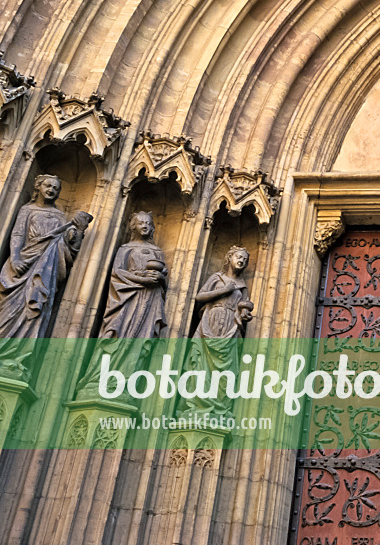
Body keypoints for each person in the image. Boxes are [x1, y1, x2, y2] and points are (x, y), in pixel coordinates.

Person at [0, 174, 92, 379]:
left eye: (56, 188)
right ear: (38, 187)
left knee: (35, 309)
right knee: (11, 309)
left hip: (46, 271)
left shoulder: (60, 217)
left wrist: (77, 230)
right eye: (48, 186)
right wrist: (15, 258)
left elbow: (68, 250)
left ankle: (18, 359)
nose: (51, 190)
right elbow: (17, 235)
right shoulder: (27, 210)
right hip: (23, 265)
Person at [77, 211, 168, 398]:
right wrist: (141, 279)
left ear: (152, 227)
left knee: (139, 343)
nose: (145, 226)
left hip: (149, 301)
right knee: (116, 335)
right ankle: (99, 380)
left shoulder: (157, 252)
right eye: (140, 223)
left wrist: (159, 278)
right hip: (127, 298)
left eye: (148, 223)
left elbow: (163, 281)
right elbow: (117, 273)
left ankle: (124, 383)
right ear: (133, 226)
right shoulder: (126, 248)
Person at [183, 246, 254, 416]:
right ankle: (198, 405)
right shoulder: (217, 278)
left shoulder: (242, 286)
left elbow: (244, 305)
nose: (241, 261)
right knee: (202, 364)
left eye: (245, 260)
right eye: (239, 257)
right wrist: (224, 290)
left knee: (227, 368)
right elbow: (200, 297)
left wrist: (244, 313)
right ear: (229, 257)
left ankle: (218, 408)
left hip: (230, 326)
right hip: (211, 320)